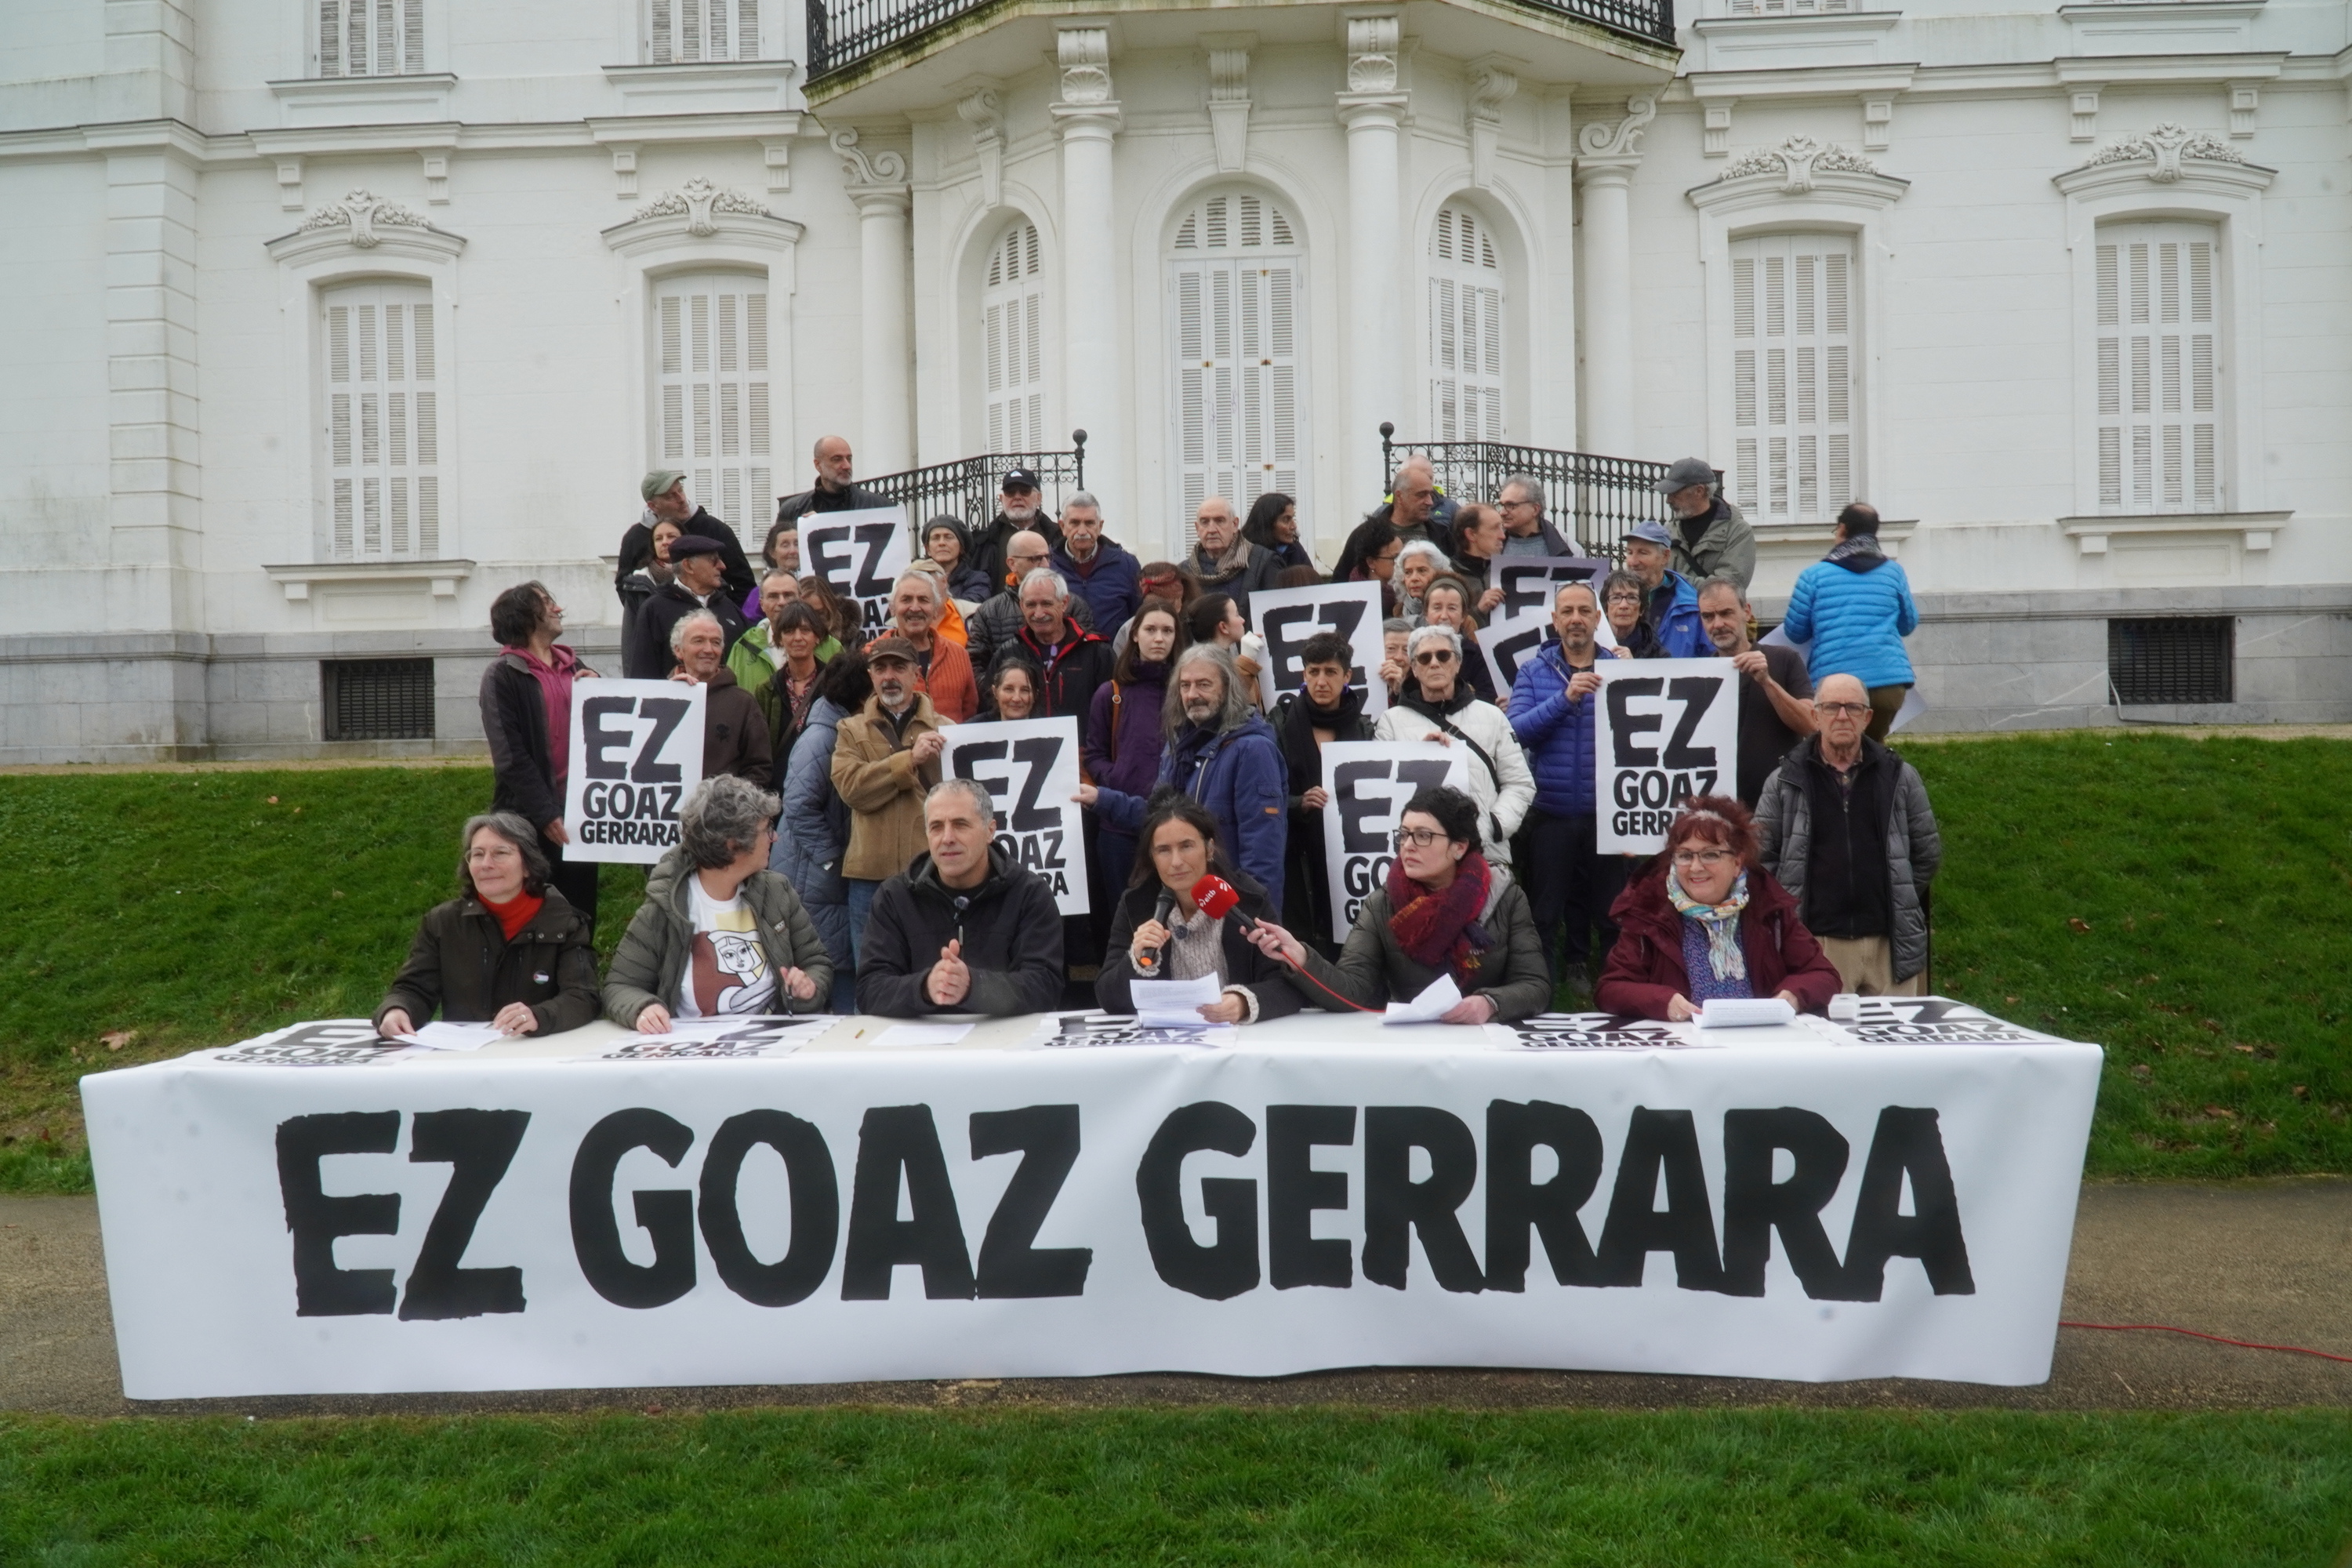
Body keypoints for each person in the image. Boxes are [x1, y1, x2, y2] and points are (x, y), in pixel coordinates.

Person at [1245, 785, 1551, 1022]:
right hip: (1414, 1046)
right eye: (1403, 835)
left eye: (1423, 836)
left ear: (1459, 847)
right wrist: (1300, 957)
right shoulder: (1383, 904)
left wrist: (1490, 1004)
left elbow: (1534, 985)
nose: (1407, 846)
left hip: (1489, 1044)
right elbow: (1353, 989)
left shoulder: (1505, 897)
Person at [1753, 673, 1942, 998]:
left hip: (1889, 945)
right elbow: (1761, 859)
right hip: (1816, 945)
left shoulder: (1900, 776)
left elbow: (1926, 853)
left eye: (1853, 708)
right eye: (1831, 707)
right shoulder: (1784, 781)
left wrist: (1898, 892)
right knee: (1828, 1046)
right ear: (1815, 715)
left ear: (1867, 717)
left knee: (1896, 1045)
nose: (1842, 716)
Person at [604, 775, 832, 1029]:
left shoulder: (776, 891)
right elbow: (621, 986)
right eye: (767, 829)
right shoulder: (665, 907)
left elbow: (816, 962)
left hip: (771, 1050)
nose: (774, 837)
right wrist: (642, 1008)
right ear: (733, 844)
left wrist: (808, 987)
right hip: (694, 1057)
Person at [1598, 796, 1841, 1021]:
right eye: (1684, 856)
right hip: (1682, 1050)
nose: (1695, 867)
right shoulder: (1650, 913)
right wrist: (1663, 1002)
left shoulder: (1769, 909)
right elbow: (1610, 989)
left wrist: (1793, 996)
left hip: (1760, 1046)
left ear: (1737, 862)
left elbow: (1824, 975)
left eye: (1710, 855)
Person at [1083, 644, 1287, 906]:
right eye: (1185, 686)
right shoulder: (1177, 746)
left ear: (1227, 689)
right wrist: (1101, 799)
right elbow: (1160, 817)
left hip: (1231, 909)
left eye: (1204, 684)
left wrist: (1256, 921)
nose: (1192, 695)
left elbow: (1262, 850)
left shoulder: (1252, 749)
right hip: (1187, 904)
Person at [375, 812, 599, 1039]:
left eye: (500, 853)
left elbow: (582, 997)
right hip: (464, 1059)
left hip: (536, 1053)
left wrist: (538, 1016)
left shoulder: (566, 922)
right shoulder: (442, 922)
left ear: (528, 866)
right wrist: (397, 1010)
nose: (486, 864)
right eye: (477, 854)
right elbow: (414, 988)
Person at [1507, 580, 1628, 994]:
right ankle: (1541, 986)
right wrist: (1565, 699)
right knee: (1545, 911)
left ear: (1598, 619)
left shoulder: (1621, 670)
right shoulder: (1534, 671)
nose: (1576, 618)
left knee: (1611, 911)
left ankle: (1612, 986)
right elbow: (1515, 732)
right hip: (1552, 812)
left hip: (1607, 814)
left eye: (1584, 610)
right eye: (1567, 611)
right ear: (1554, 621)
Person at [856, 779, 1065, 1016]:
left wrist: (974, 987)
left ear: (990, 831)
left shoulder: (1030, 894)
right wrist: (925, 988)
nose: (947, 838)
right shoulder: (894, 897)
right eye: (936, 827)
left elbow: (1045, 987)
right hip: (922, 1047)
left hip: (1005, 1045)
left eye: (960, 824)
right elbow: (869, 990)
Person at [1097, 796, 1307, 1022]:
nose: (1176, 862)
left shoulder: (1249, 899)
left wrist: (1242, 1003)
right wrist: (1135, 962)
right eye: (1163, 850)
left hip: (1240, 1042)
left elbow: (1288, 986)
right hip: (1166, 1044)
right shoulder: (1136, 904)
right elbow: (1107, 997)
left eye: (1186, 846)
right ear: (1152, 857)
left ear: (1209, 849)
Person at [479, 580, 601, 929]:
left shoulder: (576, 667)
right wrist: (547, 814)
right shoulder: (502, 676)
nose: (558, 608)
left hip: (580, 816)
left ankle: (577, 981)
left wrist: (603, 688)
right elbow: (510, 755)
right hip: (527, 820)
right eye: (547, 602)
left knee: (579, 915)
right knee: (529, 918)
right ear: (525, 616)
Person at [1374, 623, 1533, 867]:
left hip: (1484, 855)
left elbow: (1520, 783)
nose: (1434, 663)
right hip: (1419, 858)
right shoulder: (1391, 722)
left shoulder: (1492, 716)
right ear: (1414, 668)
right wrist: (1417, 755)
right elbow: (1381, 789)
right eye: (1425, 658)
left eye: (1443, 655)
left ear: (1458, 663)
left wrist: (1492, 827)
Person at [832, 634, 947, 967]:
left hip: (930, 874)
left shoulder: (948, 731)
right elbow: (852, 789)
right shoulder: (850, 730)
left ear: (916, 674)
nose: (889, 676)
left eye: (899, 667)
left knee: (931, 973)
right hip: (869, 878)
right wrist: (910, 760)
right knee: (872, 977)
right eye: (880, 668)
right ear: (870, 676)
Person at [775, 651, 871, 1014]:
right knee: (832, 964)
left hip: (819, 875)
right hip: (812, 875)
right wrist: (834, 858)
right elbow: (798, 805)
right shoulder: (821, 738)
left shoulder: (836, 731)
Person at [1780, 501, 1920, 742]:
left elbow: (1795, 632)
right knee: (1873, 752)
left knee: (1835, 752)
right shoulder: (1893, 572)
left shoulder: (1813, 577)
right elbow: (1908, 624)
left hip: (1834, 686)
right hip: (1888, 683)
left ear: (1842, 529)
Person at [1269, 630, 1375, 947]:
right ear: (1304, 674)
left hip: (1350, 854)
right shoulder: (1280, 721)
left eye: (1330, 672)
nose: (1321, 681)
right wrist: (1298, 803)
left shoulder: (1363, 728)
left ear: (1347, 676)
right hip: (1297, 857)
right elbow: (1266, 791)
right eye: (1313, 672)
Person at [1084, 597, 1179, 906]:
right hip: (1119, 828)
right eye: (1151, 629)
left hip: (1175, 823)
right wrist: (1116, 778)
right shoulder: (1110, 693)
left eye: (1167, 630)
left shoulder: (1187, 692)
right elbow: (1094, 753)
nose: (1159, 638)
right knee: (1126, 918)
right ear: (1135, 634)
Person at [1697, 575, 1816, 806]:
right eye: (1708, 616)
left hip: (1778, 802)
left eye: (1726, 613)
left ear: (1746, 611)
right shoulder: (1700, 674)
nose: (1717, 624)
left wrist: (1767, 682)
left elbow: (1811, 725)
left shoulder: (1784, 659)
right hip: (1721, 807)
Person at [992, 568, 1115, 743]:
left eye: (1047, 604)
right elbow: (991, 711)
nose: (1039, 613)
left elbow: (1114, 713)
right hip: (1023, 760)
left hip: (1083, 762)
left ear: (1064, 603)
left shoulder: (1097, 653)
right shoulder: (1008, 653)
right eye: (1031, 605)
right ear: (1021, 606)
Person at [617, 468, 755, 608]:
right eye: (670, 496)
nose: (681, 499)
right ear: (653, 506)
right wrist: (646, 618)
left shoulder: (714, 529)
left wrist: (729, 619)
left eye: (680, 490)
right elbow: (625, 587)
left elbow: (744, 584)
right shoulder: (635, 538)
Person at [967, 529, 1098, 671]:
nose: (1046, 565)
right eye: (1035, 559)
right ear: (1012, 563)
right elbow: (975, 665)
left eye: (1048, 557)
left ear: (1063, 604)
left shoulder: (1074, 605)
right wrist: (1003, 691)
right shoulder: (989, 611)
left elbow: (1089, 657)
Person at [668, 610, 771, 786]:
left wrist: (728, 803)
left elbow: (759, 768)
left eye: (715, 643)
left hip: (723, 810)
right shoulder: (656, 699)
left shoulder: (743, 703)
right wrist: (670, 695)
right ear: (679, 650)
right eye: (698, 641)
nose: (708, 650)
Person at [738, 599, 829, 783]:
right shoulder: (767, 690)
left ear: (817, 637)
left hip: (826, 783)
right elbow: (759, 749)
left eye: (805, 630)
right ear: (779, 639)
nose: (797, 638)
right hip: (781, 787)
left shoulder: (834, 684)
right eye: (789, 631)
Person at [639, 532, 749, 673]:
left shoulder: (730, 608)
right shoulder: (655, 609)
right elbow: (642, 671)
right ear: (688, 566)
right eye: (714, 560)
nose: (722, 566)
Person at [887, 570, 978, 723]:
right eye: (906, 600)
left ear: (936, 610)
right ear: (892, 609)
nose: (915, 608)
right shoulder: (872, 655)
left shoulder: (959, 655)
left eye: (923, 600)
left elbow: (969, 712)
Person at [1049, 491, 1142, 640]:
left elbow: (1138, 616)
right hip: (1065, 658)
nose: (1082, 531)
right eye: (1074, 523)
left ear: (1100, 526)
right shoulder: (1048, 565)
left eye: (1089, 523)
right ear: (1063, 527)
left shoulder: (1126, 565)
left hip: (1114, 658)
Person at [1654, 456, 1756, 593]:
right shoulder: (1669, 531)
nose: (1668, 500)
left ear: (1699, 491)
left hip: (1713, 613)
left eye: (1675, 493)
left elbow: (1728, 587)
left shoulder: (1738, 531)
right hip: (1674, 613)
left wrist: (1673, 581)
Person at [1620, 520, 1709, 659]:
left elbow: (1712, 657)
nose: (1633, 562)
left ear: (1665, 556)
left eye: (1642, 553)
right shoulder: (1611, 601)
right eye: (1630, 552)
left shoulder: (1693, 605)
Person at [773, 434, 891, 535]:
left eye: (849, 459)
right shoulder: (792, 510)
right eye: (837, 459)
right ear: (818, 465)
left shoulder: (880, 507)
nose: (847, 466)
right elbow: (778, 556)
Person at [970, 466, 1063, 593]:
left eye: (1025, 491)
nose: (1017, 497)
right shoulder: (984, 542)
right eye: (1010, 493)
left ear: (1039, 498)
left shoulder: (1058, 536)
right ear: (1002, 499)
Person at [1188, 495, 1284, 615]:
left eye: (1219, 521)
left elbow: (1277, 613)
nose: (1211, 529)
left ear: (1234, 524)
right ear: (1197, 528)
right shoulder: (1185, 572)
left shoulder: (1264, 563)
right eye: (1205, 522)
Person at [617, 515, 683, 679]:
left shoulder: (696, 578)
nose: (665, 542)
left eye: (671, 537)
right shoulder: (637, 585)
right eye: (658, 538)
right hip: (652, 673)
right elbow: (630, 639)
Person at [1418, 575, 1499, 703]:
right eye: (1437, 607)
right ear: (1426, 614)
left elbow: (1486, 698)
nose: (1444, 616)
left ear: (1463, 616)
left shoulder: (1476, 656)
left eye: (1452, 608)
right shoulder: (1413, 652)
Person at [1447, 503, 1509, 617]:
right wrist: (1479, 610)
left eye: (1502, 528)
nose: (1503, 536)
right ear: (1471, 534)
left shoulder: (1507, 570)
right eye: (1495, 528)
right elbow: (1444, 624)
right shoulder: (1450, 576)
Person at [1334, 517, 1404, 617]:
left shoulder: (1407, 591)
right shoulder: (1353, 599)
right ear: (1371, 562)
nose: (1401, 563)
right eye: (1395, 558)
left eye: (1403, 556)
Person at [1365, 456, 1442, 546]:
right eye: (1421, 495)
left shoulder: (1442, 535)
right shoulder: (1368, 536)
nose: (1430, 502)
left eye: (1431, 495)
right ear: (1399, 496)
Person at [1496, 474, 1579, 557]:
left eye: (1511, 505)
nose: (1502, 513)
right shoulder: (1493, 542)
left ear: (1535, 509)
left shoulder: (1566, 546)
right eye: (1501, 505)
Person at [924, 516, 993, 603]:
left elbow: (967, 609)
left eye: (948, 537)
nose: (941, 543)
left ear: (961, 547)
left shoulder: (978, 580)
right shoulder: (918, 579)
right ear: (928, 549)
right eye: (936, 538)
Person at [1243, 492, 1315, 573]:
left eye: (1292, 518)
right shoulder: (1245, 554)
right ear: (1268, 523)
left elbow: (1312, 582)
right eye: (1286, 520)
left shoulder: (1295, 550)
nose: (1294, 526)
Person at [1599, 568, 1662, 659]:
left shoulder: (1656, 652)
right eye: (1616, 598)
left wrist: (1632, 667)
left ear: (1642, 609)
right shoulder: (1590, 644)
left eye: (1632, 598)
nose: (1623, 605)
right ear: (1605, 608)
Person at [1393, 539, 1448, 622]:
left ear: (1439, 573)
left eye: (1422, 570)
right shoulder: (1396, 613)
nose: (1414, 578)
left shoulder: (1458, 617)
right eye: (1408, 572)